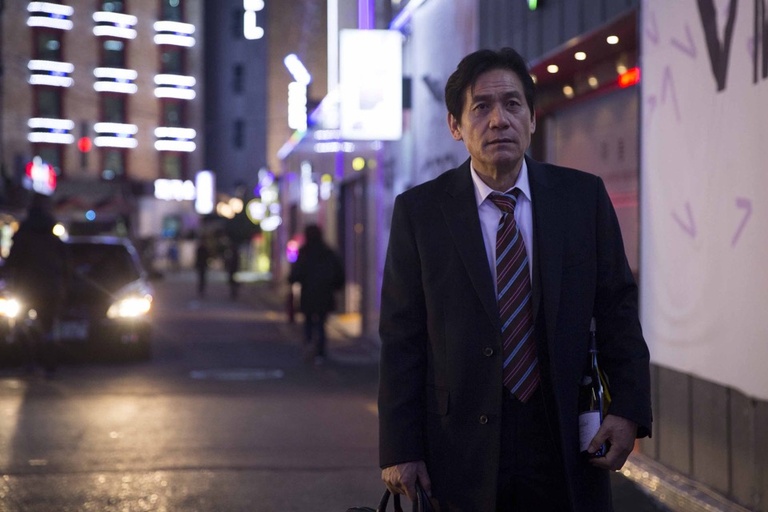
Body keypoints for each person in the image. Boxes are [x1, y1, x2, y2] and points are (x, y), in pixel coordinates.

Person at [378, 48, 652, 512]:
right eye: (481, 107)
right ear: (455, 125)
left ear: (532, 118)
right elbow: (401, 337)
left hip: (566, 442)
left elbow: (617, 311)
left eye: (512, 104)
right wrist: (400, 447)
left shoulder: (581, 198)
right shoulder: (421, 213)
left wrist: (628, 409)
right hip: (457, 450)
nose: (498, 120)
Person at [4, 193, 70, 377]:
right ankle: (49, 364)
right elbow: (66, 262)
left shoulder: (24, 233)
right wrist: (63, 284)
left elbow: (12, 261)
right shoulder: (52, 234)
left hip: (26, 288)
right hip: (50, 288)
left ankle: (30, 361)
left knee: (21, 324)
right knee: (48, 327)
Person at [288, 224, 344, 363]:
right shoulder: (328, 252)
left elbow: (296, 274)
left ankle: (309, 347)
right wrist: (335, 286)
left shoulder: (304, 252)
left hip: (308, 294)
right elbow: (339, 273)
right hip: (325, 294)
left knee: (308, 322)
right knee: (321, 324)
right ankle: (320, 352)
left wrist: (294, 279)